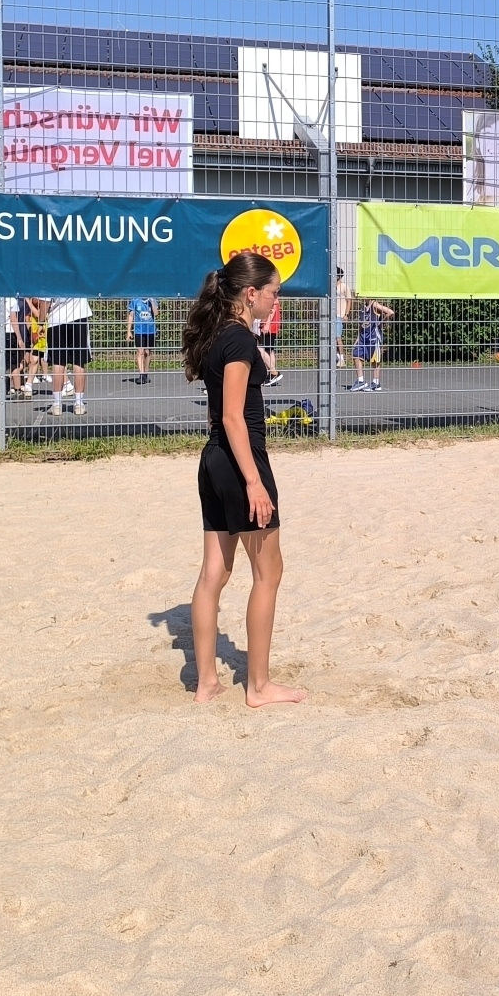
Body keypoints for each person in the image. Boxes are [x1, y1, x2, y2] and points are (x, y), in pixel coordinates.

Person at [181, 251, 305, 709]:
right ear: (250, 293)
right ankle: (258, 686)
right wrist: (254, 482)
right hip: (238, 460)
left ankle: (208, 682)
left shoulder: (217, 333)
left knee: (214, 573)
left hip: (213, 459)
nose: (276, 301)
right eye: (273, 292)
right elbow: (233, 416)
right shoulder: (237, 339)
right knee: (268, 572)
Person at [46, 296, 93, 415]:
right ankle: (79, 404)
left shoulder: (50, 276)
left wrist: (42, 320)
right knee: (79, 361)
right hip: (78, 316)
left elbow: (44, 301)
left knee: (58, 362)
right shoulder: (81, 276)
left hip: (56, 319)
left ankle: (57, 404)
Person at [347, 294, 395, 392]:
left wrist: (381, 323)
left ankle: (376, 383)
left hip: (374, 337)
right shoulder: (363, 308)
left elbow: (390, 312)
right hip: (363, 337)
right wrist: (357, 337)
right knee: (356, 355)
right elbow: (361, 324)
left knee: (375, 360)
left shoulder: (375, 305)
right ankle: (361, 381)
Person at [254, 292, 284, 386]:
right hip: (272, 326)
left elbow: (273, 309)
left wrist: (266, 324)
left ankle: (273, 372)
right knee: (269, 349)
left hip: (270, 327)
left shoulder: (272, 297)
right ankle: (272, 373)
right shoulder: (272, 296)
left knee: (263, 348)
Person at [128, 298, 159, 384]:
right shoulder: (135, 300)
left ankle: (146, 373)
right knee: (140, 351)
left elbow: (156, 313)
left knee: (147, 352)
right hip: (139, 331)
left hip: (150, 330)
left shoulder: (153, 299)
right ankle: (141, 374)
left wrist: (152, 302)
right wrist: (128, 331)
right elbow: (131, 315)